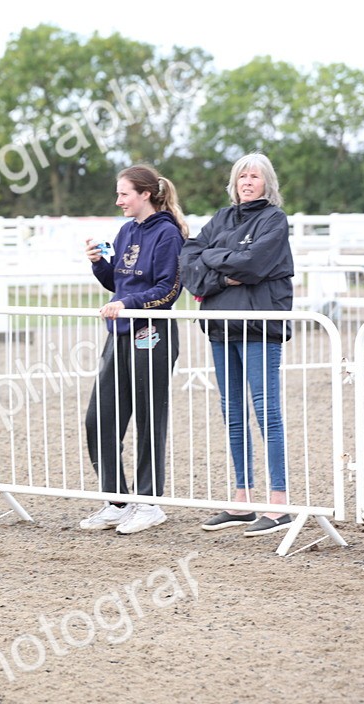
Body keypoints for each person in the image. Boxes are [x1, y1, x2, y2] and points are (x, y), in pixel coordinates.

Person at [180, 152, 294, 537]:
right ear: (234, 182)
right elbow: (190, 262)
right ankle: (242, 498)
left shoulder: (274, 220)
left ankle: (279, 502)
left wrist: (217, 262)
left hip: (259, 327)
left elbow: (255, 264)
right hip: (220, 326)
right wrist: (225, 272)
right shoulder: (222, 218)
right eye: (242, 176)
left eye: (255, 176)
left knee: (266, 411)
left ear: (267, 183)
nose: (248, 181)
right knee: (232, 412)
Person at [78, 165, 188, 535]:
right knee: (99, 417)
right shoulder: (125, 231)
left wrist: (130, 305)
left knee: (148, 418)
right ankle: (117, 499)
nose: (118, 200)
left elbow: (169, 289)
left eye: (124, 193)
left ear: (145, 194)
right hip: (120, 333)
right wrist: (99, 266)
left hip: (152, 334)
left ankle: (149, 500)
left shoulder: (168, 234)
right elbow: (118, 281)